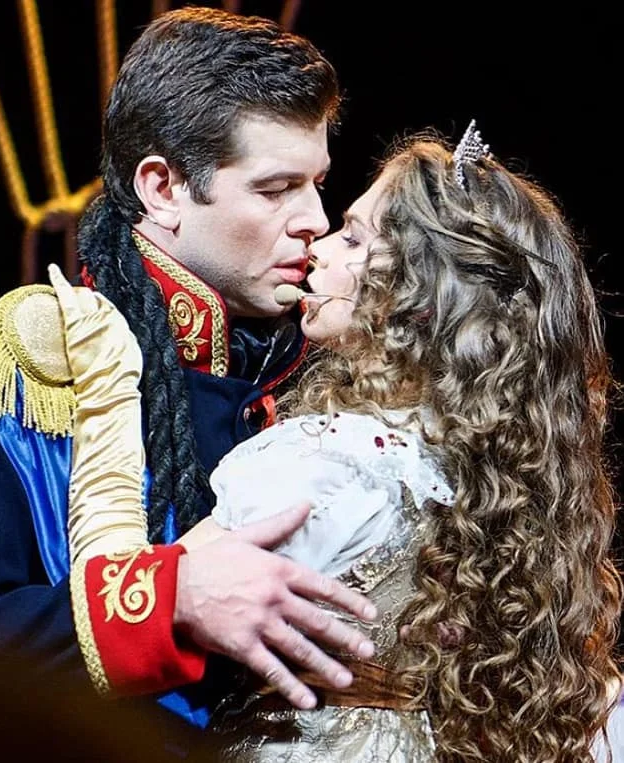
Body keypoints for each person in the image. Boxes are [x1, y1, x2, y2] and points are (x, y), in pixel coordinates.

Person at [0, 5, 378, 740]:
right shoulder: (24, 363)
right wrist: (168, 602)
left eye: (317, 183)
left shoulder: (339, 368)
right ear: (162, 188)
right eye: (274, 189)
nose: (315, 220)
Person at [174, 123, 623, 760]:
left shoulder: (325, 460)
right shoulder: (486, 465)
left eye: (353, 237)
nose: (319, 249)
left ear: (420, 298)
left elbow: (157, 597)